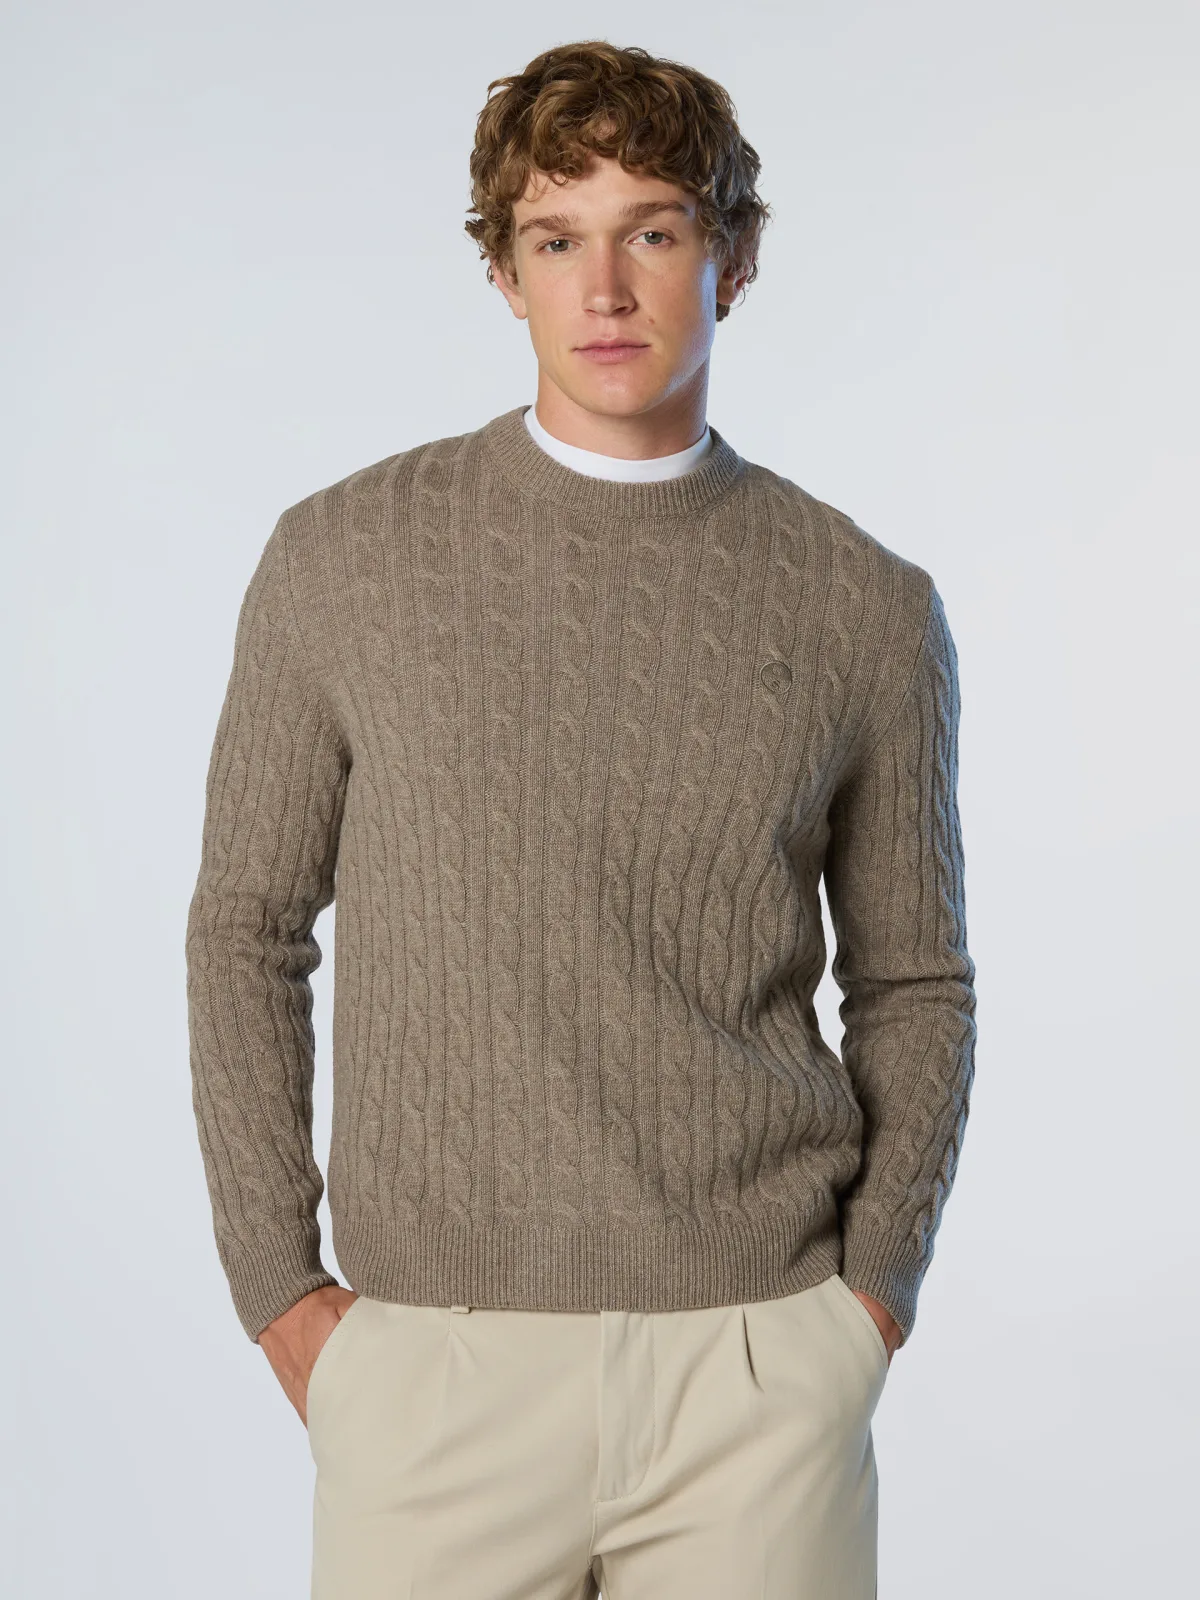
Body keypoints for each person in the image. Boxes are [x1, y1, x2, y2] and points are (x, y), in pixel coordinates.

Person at [185, 38, 977, 1600]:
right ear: (505, 273)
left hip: (754, 1373)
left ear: (733, 259)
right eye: (557, 239)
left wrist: (868, 1296)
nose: (604, 289)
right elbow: (246, 930)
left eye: (653, 231)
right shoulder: (342, 560)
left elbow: (913, 984)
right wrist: (280, 1287)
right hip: (433, 1380)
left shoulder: (864, 607)